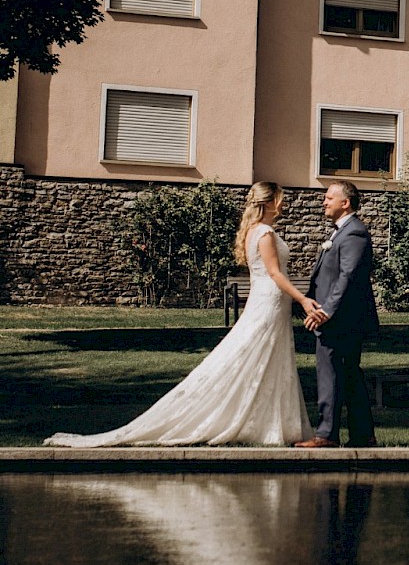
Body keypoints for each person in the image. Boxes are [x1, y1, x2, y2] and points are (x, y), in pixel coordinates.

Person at [45, 183, 320, 447]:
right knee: (254, 355)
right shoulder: (265, 234)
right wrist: (303, 299)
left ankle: (265, 420)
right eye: (281, 198)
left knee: (268, 357)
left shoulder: (253, 231)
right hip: (269, 300)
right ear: (269, 201)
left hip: (266, 300)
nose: (284, 203)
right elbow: (274, 274)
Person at [295, 180, 379, 449]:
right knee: (350, 375)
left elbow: (348, 277)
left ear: (346, 203)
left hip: (342, 320)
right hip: (342, 318)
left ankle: (327, 434)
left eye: (329, 197)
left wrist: (326, 311)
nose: (324, 201)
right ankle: (363, 435)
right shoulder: (342, 232)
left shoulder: (354, 233)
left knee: (331, 374)